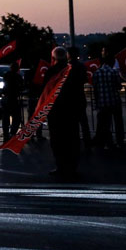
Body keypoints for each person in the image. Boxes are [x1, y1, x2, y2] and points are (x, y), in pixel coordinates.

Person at [45, 47, 86, 178]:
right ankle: (72, 166)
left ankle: (60, 166)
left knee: (57, 140)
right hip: (73, 108)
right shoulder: (75, 69)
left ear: (53, 58)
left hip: (56, 111)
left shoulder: (51, 71)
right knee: (72, 138)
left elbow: (46, 91)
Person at [92, 55, 124, 149]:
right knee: (118, 122)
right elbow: (119, 86)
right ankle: (119, 141)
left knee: (106, 124)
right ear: (111, 62)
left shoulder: (97, 72)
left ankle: (108, 142)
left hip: (103, 102)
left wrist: (97, 102)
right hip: (115, 100)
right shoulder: (114, 72)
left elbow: (95, 88)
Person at [1, 62, 24, 139]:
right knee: (16, 117)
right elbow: (21, 86)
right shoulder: (18, 76)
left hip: (6, 97)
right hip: (13, 98)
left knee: (5, 117)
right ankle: (13, 132)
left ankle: (5, 133)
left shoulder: (6, 75)